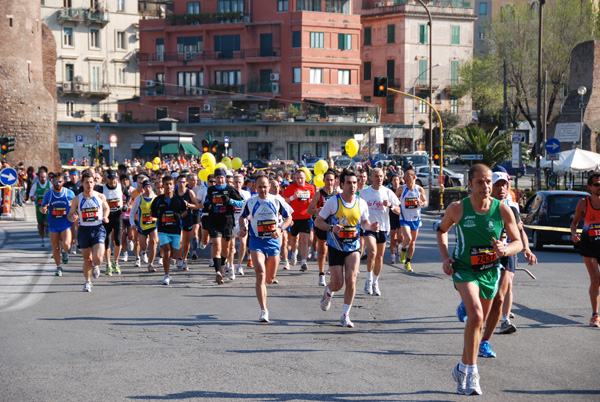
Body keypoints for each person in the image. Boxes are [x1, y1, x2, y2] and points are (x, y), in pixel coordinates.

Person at [436, 164, 522, 395]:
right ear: (470, 185)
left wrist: (505, 249)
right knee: (474, 314)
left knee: (477, 324)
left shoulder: (502, 210)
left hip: (489, 271)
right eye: (480, 182)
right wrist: (445, 257)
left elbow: (519, 242)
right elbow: (441, 230)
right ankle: (472, 373)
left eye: (488, 182)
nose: (486, 186)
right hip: (464, 269)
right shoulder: (457, 209)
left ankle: (461, 367)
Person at [457, 171, 538, 357]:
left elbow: (520, 232)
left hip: (505, 252)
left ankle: (485, 341)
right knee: (478, 292)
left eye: (504, 185)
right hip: (481, 253)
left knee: (500, 297)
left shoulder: (511, 209)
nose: (501, 189)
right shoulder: (477, 207)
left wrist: (526, 248)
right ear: (488, 187)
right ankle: (466, 301)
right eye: (497, 185)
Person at [315, 169, 379, 328]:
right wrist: (331, 228)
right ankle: (329, 291)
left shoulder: (361, 203)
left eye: (354, 183)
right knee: (338, 283)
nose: (352, 186)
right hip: (336, 246)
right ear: (341, 184)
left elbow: (364, 222)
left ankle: (345, 315)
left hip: (353, 246)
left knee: (351, 280)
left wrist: (371, 226)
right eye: (349, 183)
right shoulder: (333, 202)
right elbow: (318, 221)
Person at [239, 174, 293, 322]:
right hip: (256, 241)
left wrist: (280, 229)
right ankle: (264, 310)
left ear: (269, 187)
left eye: (265, 186)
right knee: (261, 274)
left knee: (269, 279)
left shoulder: (277, 200)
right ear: (255, 187)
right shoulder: (250, 202)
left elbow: (289, 218)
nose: (262, 189)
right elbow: (242, 217)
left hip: (273, 242)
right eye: (260, 186)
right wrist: (243, 228)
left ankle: (267, 288)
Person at [360, 168, 401, 296]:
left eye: (381, 176)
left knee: (379, 257)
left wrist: (390, 206)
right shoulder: (364, 192)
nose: (379, 179)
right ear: (371, 177)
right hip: (369, 228)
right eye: (376, 176)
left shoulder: (387, 192)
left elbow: (398, 210)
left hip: (383, 228)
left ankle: (375, 282)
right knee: (372, 252)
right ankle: (368, 280)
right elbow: (358, 208)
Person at [68, 171, 110, 292]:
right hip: (84, 230)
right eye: (87, 182)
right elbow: (70, 215)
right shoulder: (77, 199)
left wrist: (106, 216)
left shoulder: (100, 196)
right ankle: (87, 282)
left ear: (94, 182)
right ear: (82, 183)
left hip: (98, 228)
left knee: (97, 258)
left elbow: (106, 208)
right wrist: (73, 217)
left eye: (91, 182)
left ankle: (96, 266)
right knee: (87, 258)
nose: (89, 185)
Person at [204, 168, 244, 284]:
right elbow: (207, 202)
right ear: (215, 179)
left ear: (225, 178)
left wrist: (230, 201)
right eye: (218, 178)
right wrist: (208, 205)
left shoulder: (230, 189)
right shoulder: (211, 190)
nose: (220, 180)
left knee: (226, 250)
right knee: (216, 246)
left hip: (227, 222)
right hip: (214, 222)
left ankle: (222, 264)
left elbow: (241, 203)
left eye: (222, 177)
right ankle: (218, 272)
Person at [571, 172, 600, 327]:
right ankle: (595, 315)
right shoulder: (584, 203)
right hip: (589, 245)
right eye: (596, 184)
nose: (599, 187)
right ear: (590, 187)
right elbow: (574, 223)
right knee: (595, 280)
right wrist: (574, 234)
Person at [151, 175, 188, 285]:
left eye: (170, 184)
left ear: (173, 185)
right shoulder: (158, 200)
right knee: (166, 251)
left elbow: (185, 211)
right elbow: (151, 212)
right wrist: (156, 214)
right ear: (163, 185)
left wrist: (180, 216)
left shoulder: (178, 200)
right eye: (166, 184)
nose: (168, 186)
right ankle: (166, 275)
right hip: (163, 229)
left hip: (176, 230)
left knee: (175, 255)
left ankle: (176, 257)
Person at [307, 170, 339, 286]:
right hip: (322, 225)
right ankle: (321, 274)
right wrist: (317, 210)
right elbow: (309, 211)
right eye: (327, 180)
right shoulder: (319, 194)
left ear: (335, 180)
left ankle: (332, 270)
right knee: (323, 251)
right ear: (324, 181)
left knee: (333, 251)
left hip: (334, 226)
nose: (329, 182)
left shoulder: (337, 194)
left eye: (331, 180)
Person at [40, 172, 75, 276]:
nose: (58, 184)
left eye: (60, 181)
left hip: (65, 223)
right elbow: (42, 206)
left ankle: (65, 252)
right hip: (53, 224)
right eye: (56, 181)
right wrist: (43, 209)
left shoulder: (69, 193)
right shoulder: (49, 194)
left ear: (63, 181)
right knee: (55, 247)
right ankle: (59, 267)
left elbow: (75, 205)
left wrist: (74, 213)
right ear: (52, 182)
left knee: (66, 245)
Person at [282, 169, 315, 271]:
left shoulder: (310, 188)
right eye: (297, 178)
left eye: (301, 178)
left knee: (304, 239)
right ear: (294, 178)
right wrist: (292, 197)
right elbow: (284, 200)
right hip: (294, 217)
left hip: (306, 217)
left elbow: (314, 200)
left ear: (305, 178)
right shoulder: (291, 187)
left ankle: (304, 262)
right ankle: (294, 252)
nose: (300, 180)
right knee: (294, 239)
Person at [397, 169, 427, 272]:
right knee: (408, 239)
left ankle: (408, 262)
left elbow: (425, 201)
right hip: (404, 218)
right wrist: (396, 205)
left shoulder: (419, 190)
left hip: (416, 219)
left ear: (414, 178)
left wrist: (422, 203)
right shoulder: (401, 189)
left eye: (408, 176)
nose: (405, 178)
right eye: (405, 176)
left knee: (413, 243)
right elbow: (394, 198)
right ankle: (403, 249)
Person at [130, 181, 158, 272]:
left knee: (153, 242)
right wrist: (132, 224)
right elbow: (132, 213)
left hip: (153, 224)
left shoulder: (155, 198)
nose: (148, 189)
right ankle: (143, 252)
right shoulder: (139, 199)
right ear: (143, 188)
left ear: (152, 187)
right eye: (146, 187)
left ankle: (151, 264)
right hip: (142, 226)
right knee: (143, 245)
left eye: (149, 187)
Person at [102, 169, 125, 276]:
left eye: (114, 179)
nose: (112, 181)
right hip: (106, 217)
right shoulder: (102, 188)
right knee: (106, 242)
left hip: (117, 215)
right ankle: (108, 264)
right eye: (110, 179)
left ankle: (115, 262)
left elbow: (128, 196)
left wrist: (126, 204)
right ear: (107, 179)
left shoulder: (120, 186)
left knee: (118, 241)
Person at [175, 172, 200, 271]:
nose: (181, 184)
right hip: (177, 219)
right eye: (180, 182)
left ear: (186, 183)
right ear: (177, 182)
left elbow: (197, 206)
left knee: (186, 241)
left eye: (183, 182)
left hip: (188, 218)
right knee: (179, 240)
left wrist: (188, 204)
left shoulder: (189, 192)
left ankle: (185, 259)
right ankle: (179, 258)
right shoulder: (174, 192)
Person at [230, 173, 251, 277]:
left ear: (243, 183)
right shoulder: (229, 193)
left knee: (243, 243)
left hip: (242, 222)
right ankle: (230, 265)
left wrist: (249, 215)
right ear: (233, 183)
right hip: (231, 221)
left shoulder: (247, 194)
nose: (238, 184)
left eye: (239, 182)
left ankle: (239, 265)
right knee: (231, 247)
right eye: (236, 182)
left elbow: (250, 207)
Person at [29, 167, 50, 247]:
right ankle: (43, 239)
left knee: (46, 223)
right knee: (40, 224)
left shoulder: (49, 185)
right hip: (38, 207)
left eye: (44, 177)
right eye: (41, 177)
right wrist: (33, 198)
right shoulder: (35, 185)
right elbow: (30, 196)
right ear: (38, 177)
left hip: (47, 207)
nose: (43, 179)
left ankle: (47, 229)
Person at [387, 172, 404, 264]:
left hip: (401, 216)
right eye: (394, 180)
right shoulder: (389, 191)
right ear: (391, 182)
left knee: (401, 236)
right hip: (392, 215)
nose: (396, 182)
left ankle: (399, 243)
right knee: (393, 237)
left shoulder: (403, 190)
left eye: (397, 180)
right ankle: (393, 256)